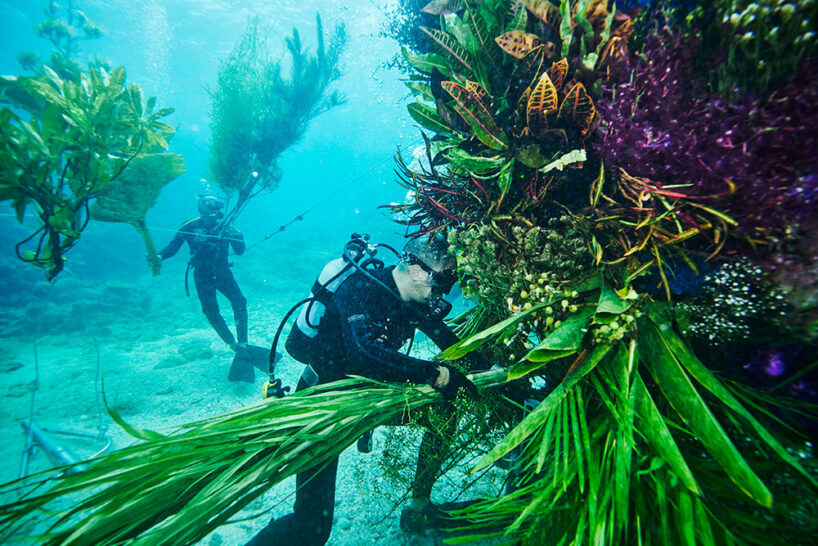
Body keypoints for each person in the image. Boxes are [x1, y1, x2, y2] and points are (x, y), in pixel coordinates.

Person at [246, 234, 486, 546]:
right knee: (312, 527)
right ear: (416, 271)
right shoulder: (360, 288)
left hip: (371, 399)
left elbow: (448, 340)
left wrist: (490, 370)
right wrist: (437, 374)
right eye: (441, 283)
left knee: (443, 413)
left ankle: (418, 509)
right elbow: (364, 355)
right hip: (325, 406)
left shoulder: (415, 300)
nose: (443, 293)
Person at [157, 195, 249, 357]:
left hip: (222, 272)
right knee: (210, 310)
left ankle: (243, 343)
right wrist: (159, 256)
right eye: (208, 203)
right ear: (200, 206)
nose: (213, 206)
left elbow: (240, 251)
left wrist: (237, 234)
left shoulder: (226, 225)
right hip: (201, 274)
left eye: (215, 203)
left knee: (239, 302)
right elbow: (173, 247)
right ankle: (232, 344)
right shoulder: (190, 225)